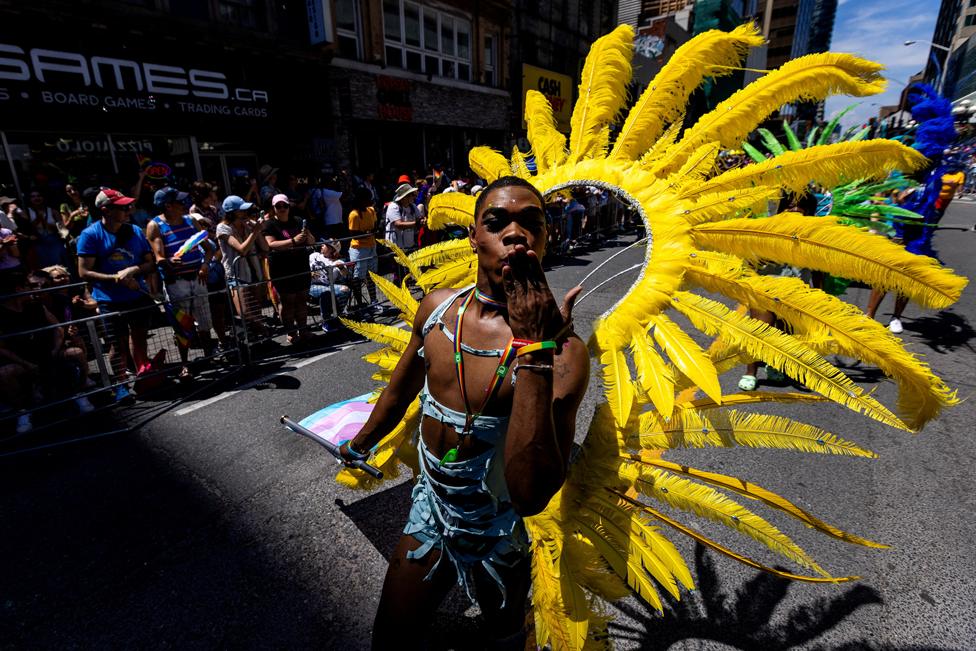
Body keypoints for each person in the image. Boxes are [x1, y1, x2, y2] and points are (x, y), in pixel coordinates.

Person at [338, 176, 589, 648]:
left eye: (531, 223)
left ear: (546, 236)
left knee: (504, 639)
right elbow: (399, 391)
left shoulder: (564, 354)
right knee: (390, 638)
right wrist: (360, 442)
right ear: (473, 236)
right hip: (431, 512)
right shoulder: (436, 311)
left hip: (501, 533)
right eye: (496, 222)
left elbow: (532, 494)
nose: (515, 234)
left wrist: (534, 346)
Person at [76, 188, 156, 404]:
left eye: (128, 205)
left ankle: (143, 375)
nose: (128, 209)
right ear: (105, 210)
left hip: (137, 296)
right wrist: (115, 278)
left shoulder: (135, 231)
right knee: (116, 345)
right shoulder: (90, 235)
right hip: (109, 300)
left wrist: (132, 271)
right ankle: (120, 386)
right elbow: (84, 272)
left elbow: (150, 262)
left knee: (139, 339)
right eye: (122, 207)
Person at [146, 187, 217, 379]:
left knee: (204, 321)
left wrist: (205, 264)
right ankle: (185, 364)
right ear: (168, 206)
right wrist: (167, 261)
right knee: (182, 325)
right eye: (179, 202)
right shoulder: (156, 225)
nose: (184, 204)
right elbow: (159, 256)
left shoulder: (191, 221)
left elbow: (208, 247)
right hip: (176, 283)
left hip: (198, 277)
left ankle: (208, 355)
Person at [262, 194, 313, 344]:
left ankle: (303, 330)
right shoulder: (270, 224)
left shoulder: (298, 221)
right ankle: (291, 333)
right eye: (278, 206)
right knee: (288, 301)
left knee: (302, 299)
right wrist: (292, 241)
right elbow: (270, 244)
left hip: (301, 265)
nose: (282, 209)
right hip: (282, 268)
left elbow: (311, 240)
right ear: (274, 208)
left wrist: (307, 236)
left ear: (289, 207)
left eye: (285, 205)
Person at [216, 195, 268, 338]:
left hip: (254, 272)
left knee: (256, 309)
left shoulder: (247, 224)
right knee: (245, 312)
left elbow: (265, 247)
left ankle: (259, 341)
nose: (245, 212)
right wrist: (255, 231)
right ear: (232, 212)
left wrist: (258, 229)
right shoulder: (223, 228)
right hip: (237, 274)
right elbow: (242, 249)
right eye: (241, 210)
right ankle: (264, 332)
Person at [347, 186, 379, 311]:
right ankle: (360, 304)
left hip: (371, 246)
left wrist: (374, 230)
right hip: (359, 249)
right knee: (358, 277)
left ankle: (374, 301)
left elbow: (375, 225)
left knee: (371, 275)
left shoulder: (371, 210)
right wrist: (366, 233)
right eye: (366, 199)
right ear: (360, 200)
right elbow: (353, 234)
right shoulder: (354, 215)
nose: (369, 202)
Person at [308, 239, 351, 333]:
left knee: (345, 289)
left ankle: (339, 315)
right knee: (326, 292)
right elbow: (303, 266)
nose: (322, 245)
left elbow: (345, 274)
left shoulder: (337, 261)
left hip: (328, 286)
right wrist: (309, 274)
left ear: (332, 249)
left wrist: (341, 267)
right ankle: (326, 321)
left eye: (325, 245)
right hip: (312, 286)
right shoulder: (314, 255)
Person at [25, 188, 67, 269]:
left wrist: (46, 223)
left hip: (54, 240)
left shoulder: (52, 211)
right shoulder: (27, 212)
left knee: (58, 265)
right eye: (33, 196)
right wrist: (38, 219)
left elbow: (63, 230)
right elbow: (28, 229)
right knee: (44, 267)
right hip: (38, 242)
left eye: (38, 196)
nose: (36, 198)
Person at [385, 182, 420, 251]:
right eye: (412, 195)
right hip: (395, 247)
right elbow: (398, 224)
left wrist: (423, 221)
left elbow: (419, 218)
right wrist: (416, 223)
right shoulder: (393, 207)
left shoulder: (413, 206)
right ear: (404, 197)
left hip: (409, 246)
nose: (414, 196)